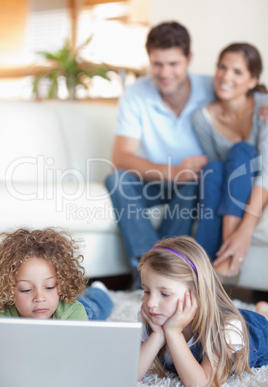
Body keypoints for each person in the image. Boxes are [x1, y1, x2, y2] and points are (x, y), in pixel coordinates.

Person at [105, 21, 215, 289]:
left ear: (189, 59)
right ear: (149, 60)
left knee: (192, 183)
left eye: (173, 64)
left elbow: (247, 97)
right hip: (155, 180)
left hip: (192, 184)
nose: (165, 73)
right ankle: (146, 270)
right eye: (157, 64)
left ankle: (167, 272)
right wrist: (173, 172)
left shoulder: (212, 89)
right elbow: (121, 156)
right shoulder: (136, 94)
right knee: (117, 179)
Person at [138, 236, 268, 386]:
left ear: (198, 293)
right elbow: (130, 374)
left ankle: (263, 313)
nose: (151, 303)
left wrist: (173, 333)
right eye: (146, 291)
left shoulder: (227, 328)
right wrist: (158, 334)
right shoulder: (154, 317)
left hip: (256, 330)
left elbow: (203, 384)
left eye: (165, 294)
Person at [192, 43, 268, 280]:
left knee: (242, 151)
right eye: (222, 68)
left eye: (237, 72)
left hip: (261, 188)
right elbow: (220, 175)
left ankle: (227, 257)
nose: (226, 76)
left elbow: (266, 171)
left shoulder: (263, 109)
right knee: (213, 169)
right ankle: (201, 269)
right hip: (233, 188)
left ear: (252, 80)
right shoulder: (202, 118)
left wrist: (243, 232)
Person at [0, 228, 113, 320]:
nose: (40, 298)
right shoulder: (4, 316)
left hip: (75, 308)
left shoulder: (74, 313)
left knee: (97, 304)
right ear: (8, 290)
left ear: (61, 284)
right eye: (26, 289)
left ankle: (99, 290)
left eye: (49, 287)